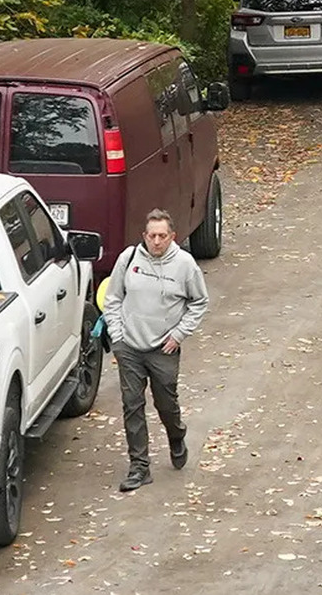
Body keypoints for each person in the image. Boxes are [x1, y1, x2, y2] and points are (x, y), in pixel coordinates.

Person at [103, 209, 210, 491]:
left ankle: (176, 436)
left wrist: (179, 334)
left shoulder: (185, 265)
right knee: (132, 405)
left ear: (172, 237)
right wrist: (117, 336)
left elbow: (199, 302)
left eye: (163, 236)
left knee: (166, 403)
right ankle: (139, 467)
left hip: (164, 348)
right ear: (144, 236)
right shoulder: (129, 259)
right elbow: (112, 298)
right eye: (152, 236)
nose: (157, 241)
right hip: (129, 347)